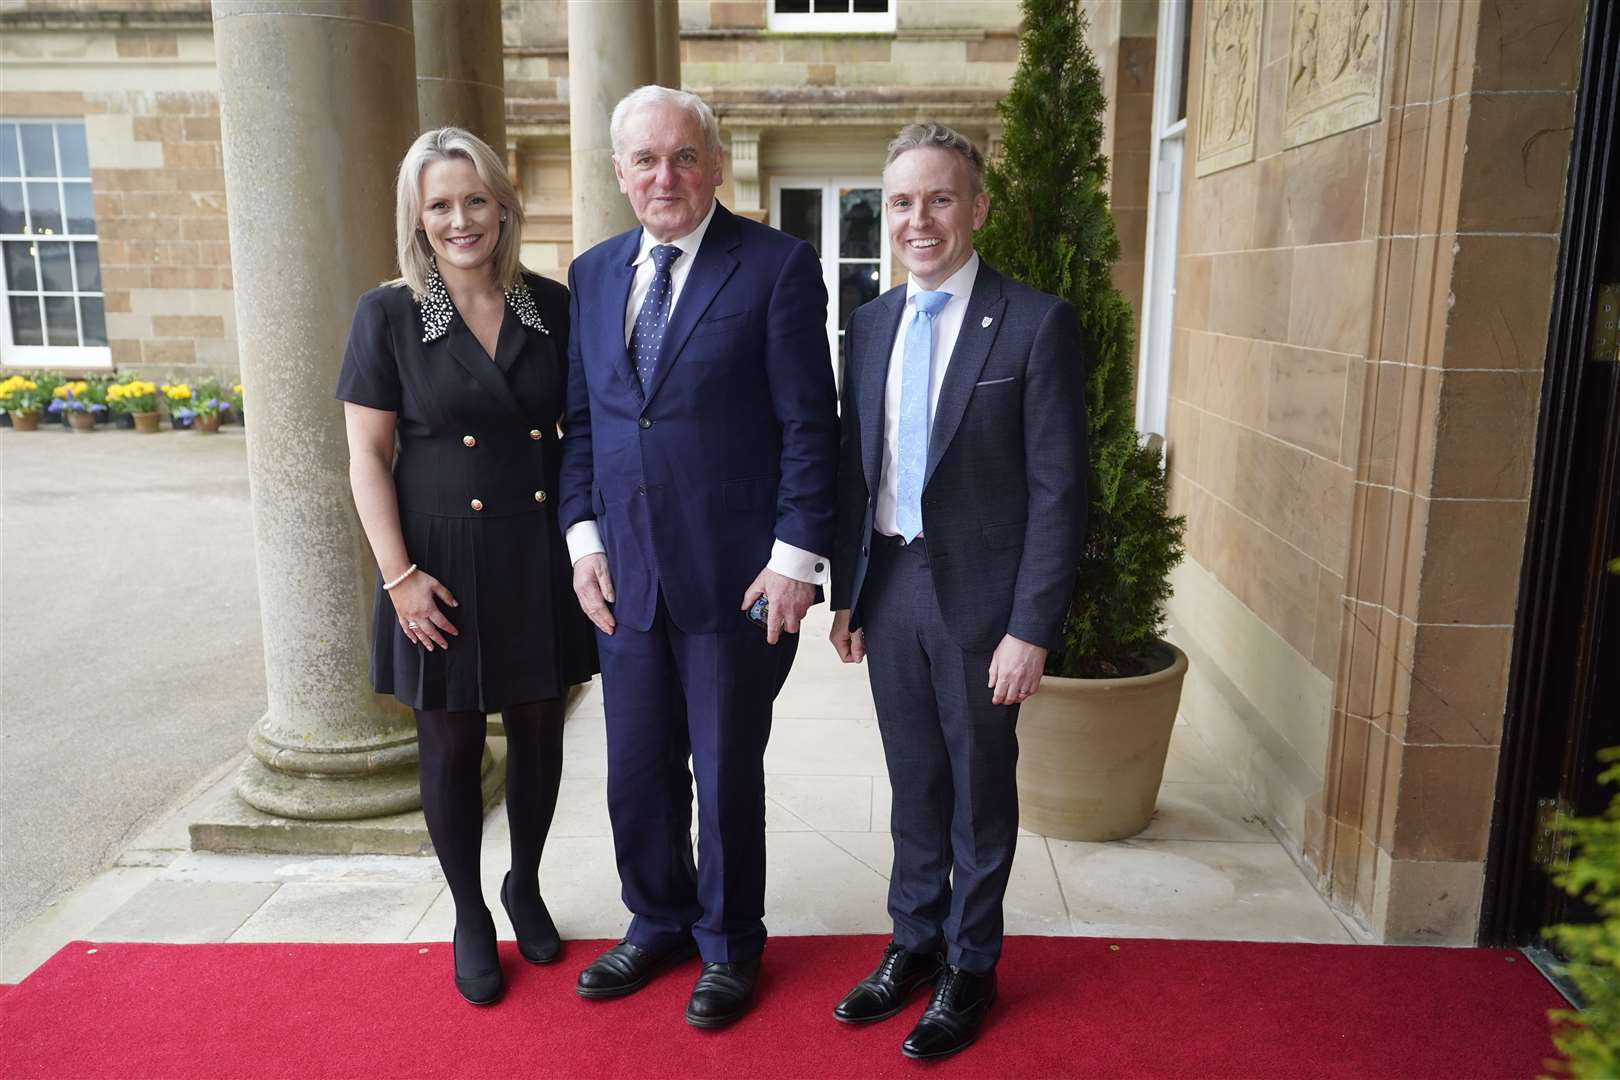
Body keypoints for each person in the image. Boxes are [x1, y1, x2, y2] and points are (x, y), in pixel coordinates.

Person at [557, 85, 839, 1029]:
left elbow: (811, 426)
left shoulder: (776, 267)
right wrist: (583, 540)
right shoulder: (594, 275)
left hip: (736, 579)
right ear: (620, 173)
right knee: (636, 770)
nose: (664, 176)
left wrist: (797, 557)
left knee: (723, 772)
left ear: (716, 166)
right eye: (645, 160)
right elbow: (587, 426)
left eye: (683, 156)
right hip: (625, 575)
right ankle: (659, 920)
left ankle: (728, 942)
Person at [827, 123, 1087, 1060]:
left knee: (979, 789)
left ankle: (971, 968)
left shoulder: (1033, 322)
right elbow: (859, 468)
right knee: (913, 781)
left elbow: (1062, 489)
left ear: (976, 208)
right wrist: (846, 592)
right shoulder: (870, 324)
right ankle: (913, 943)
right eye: (902, 202)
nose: (919, 219)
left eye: (940, 198)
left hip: (983, 600)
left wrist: (1032, 627)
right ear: (884, 212)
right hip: (891, 584)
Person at [337, 126, 596, 1007]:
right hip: (436, 559)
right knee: (447, 740)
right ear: (418, 216)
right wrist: (398, 575)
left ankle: (524, 881)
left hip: (534, 548)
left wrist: (587, 544)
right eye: (441, 204)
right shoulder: (389, 313)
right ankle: (470, 912)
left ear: (503, 204)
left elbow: (583, 432)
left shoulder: (551, 306)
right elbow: (367, 456)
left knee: (538, 729)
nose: (461, 219)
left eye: (475, 199)